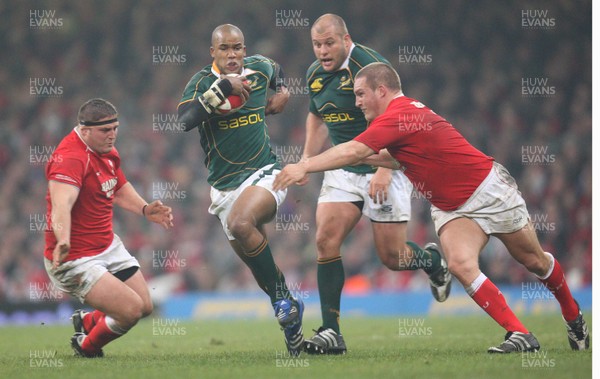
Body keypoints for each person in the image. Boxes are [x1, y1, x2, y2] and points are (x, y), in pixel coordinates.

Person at [273, 62, 590, 353]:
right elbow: (397, 157)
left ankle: (573, 315)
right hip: (451, 206)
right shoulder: (400, 117)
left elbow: (355, 149)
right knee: (461, 265)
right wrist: (362, 157)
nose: (356, 102)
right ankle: (520, 334)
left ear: (381, 91)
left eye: (360, 94)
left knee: (534, 262)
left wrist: (306, 166)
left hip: (488, 192)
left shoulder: (399, 115)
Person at [299, 14, 451, 355]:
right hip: (343, 168)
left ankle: (430, 261)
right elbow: (316, 114)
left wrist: (385, 167)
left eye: (329, 44)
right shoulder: (314, 75)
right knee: (325, 239)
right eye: (317, 45)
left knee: (393, 257)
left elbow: (395, 114)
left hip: (385, 164)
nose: (322, 51)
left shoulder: (370, 66)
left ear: (346, 39)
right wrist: (307, 159)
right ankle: (331, 332)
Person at [177, 24, 304, 356]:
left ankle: (282, 300)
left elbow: (277, 71)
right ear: (213, 53)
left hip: (266, 172)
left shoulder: (260, 67)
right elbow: (185, 119)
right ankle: (290, 312)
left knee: (240, 224)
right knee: (259, 268)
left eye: (237, 48)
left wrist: (284, 90)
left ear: (244, 50)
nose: (232, 55)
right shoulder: (202, 82)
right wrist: (222, 88)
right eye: (225, 49)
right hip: (223, 190)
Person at [44, 98, 174, 358]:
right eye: (105, 130)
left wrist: (145, 209)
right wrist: (64, 239)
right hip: (75, 258)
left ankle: (89, 321)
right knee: (130, 311)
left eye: (115, 128)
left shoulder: (105, 150)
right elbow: (61, 204)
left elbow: (117, 187)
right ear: (84, 130)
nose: (112, 135)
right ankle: (86, 347)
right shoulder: (70, 158)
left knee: (145, 305)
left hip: (107, 246)